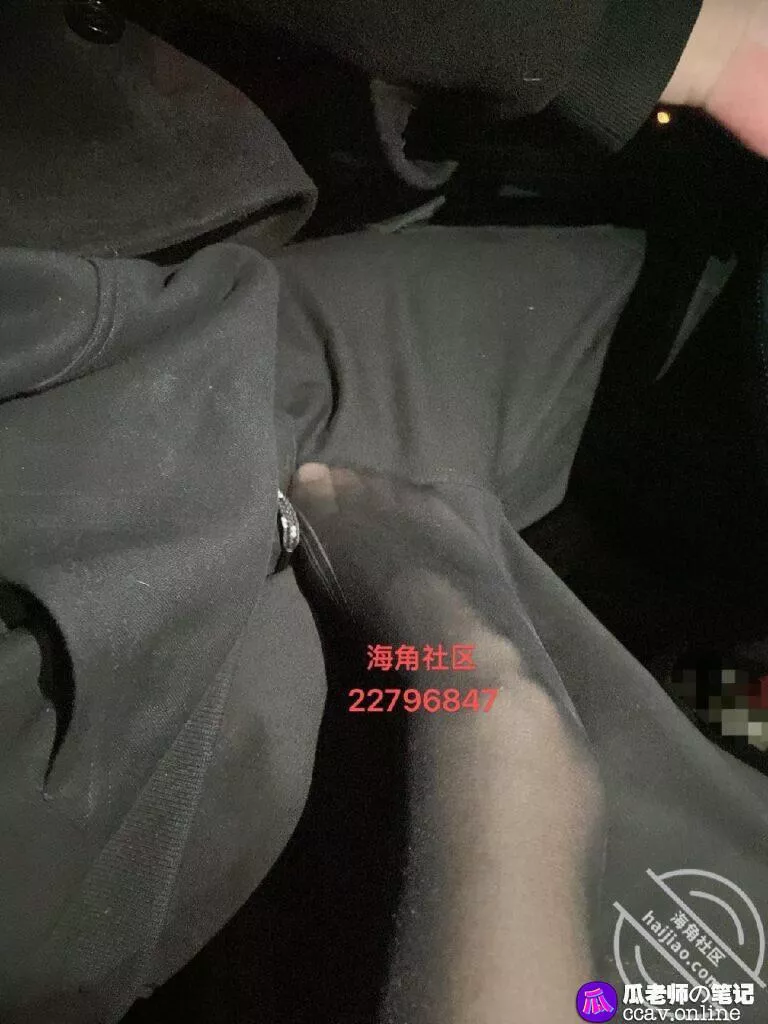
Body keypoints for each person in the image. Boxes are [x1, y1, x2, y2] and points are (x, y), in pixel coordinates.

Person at [2, 2, 768, 1023]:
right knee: (263, 379)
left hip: (504, 797)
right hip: (665, 408)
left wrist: (488, 714)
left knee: (266, 647)